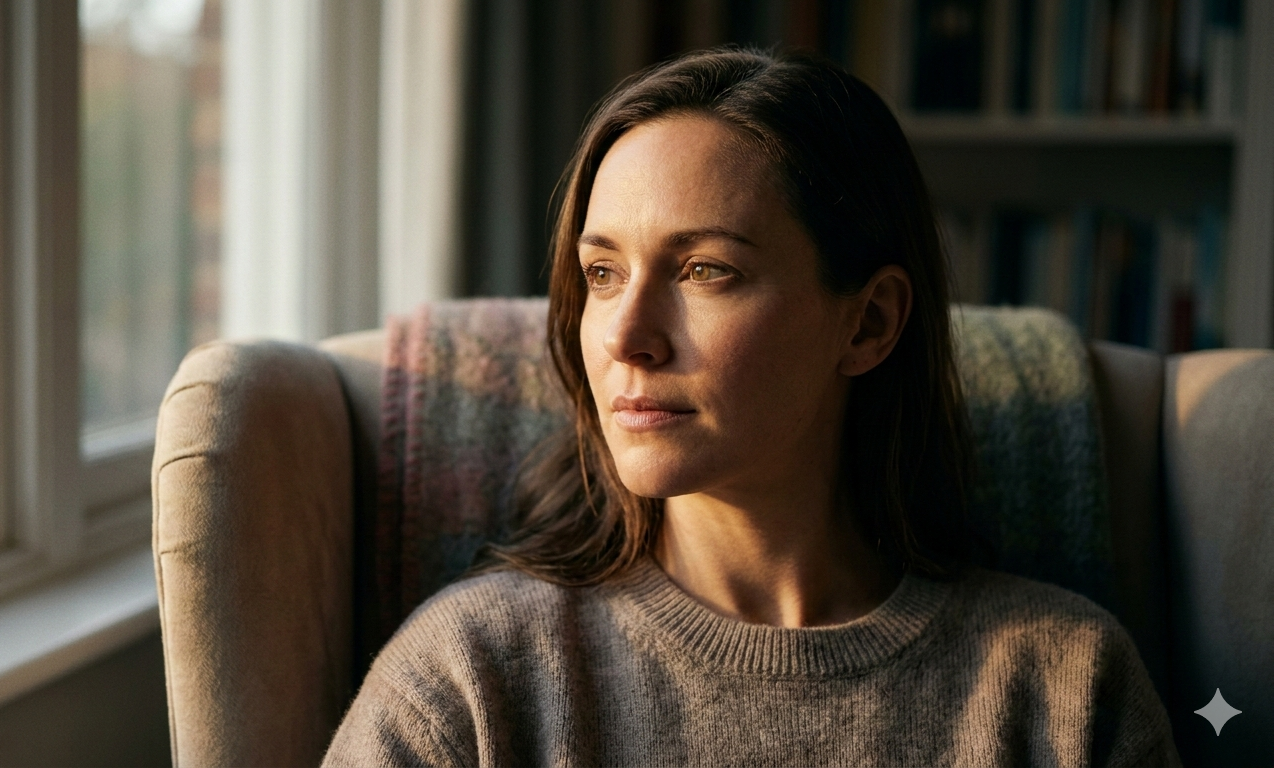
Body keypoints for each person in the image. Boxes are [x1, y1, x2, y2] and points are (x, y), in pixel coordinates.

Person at [324, 48, 1179, 766]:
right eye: (602, 274)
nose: (627, 338)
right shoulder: (474, 680)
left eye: (705, 271)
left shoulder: (1064, 687)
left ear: (869, 322)